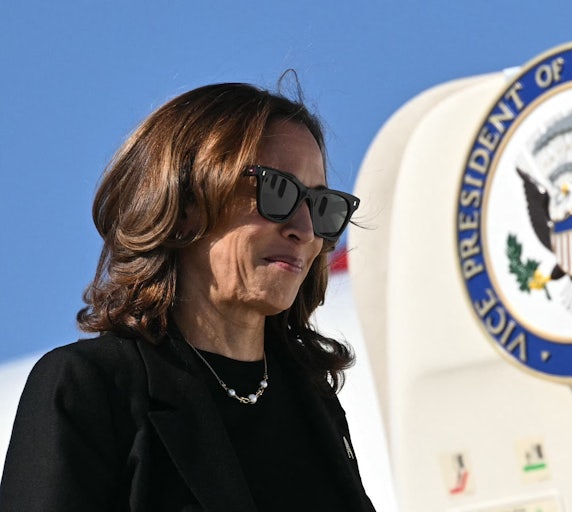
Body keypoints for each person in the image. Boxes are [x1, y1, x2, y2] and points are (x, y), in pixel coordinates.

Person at [0, 82, 375, 511]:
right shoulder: (89, 388)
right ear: (183, 207)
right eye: (278, 192)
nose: (304, 230)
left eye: (322, 205)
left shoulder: (315, 407)